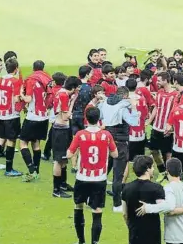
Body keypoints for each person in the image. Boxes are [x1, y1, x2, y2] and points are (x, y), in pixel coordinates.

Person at [66, 107, 118, 244]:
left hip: (82, 177)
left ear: (86, 118)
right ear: (99, 118)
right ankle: (95, 242)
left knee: (78, 206)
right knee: (97, 210)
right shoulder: (106, 135)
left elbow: (69, 154)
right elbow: (115, 154)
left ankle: (81, 241)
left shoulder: (80, 135)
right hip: (100, 178)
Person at [135, 158, 183, 244]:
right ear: (180, 171)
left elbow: (169, 207)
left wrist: (148, 208)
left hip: (174, 238)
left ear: (167, 172)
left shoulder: (167, 189)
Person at [99, 86, 140, 212]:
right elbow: (134, 122)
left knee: (103, 172)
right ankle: (117, 204)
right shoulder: (122, 108)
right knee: (118, 175)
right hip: (120, 142)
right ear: (125, 96)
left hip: (107, 140)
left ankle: (94, 198)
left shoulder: (105, 103)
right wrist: (133, 107)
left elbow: (100, 116)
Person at [19, 60, 53, 182]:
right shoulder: (48, 79)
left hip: (33, 117)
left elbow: (28, 99)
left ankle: (32, 170)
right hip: (44, 117)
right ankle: (37, 171)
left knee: (23, 143)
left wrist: (21, 95)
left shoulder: (31, 80)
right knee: (36, 143)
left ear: (33, 68)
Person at [121, 155, 165, 244]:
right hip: (153, 235)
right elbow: (163, 208)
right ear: (148, 169)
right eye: (152, 167)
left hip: (134, 234)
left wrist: (131, 227)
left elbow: (125, 214)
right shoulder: (157, 188)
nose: (153, 169)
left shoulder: (126, 188)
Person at [50, 76, 81, 198]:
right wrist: (72, 104)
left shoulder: (62, 94)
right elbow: (65, 117)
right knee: (59, 160)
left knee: (64, 158)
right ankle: (56, 190)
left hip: (63, 129)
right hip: (60, 130)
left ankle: (62, 184)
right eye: (77, 88)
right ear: (73, 88)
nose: (78, 90)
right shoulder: (63, 95)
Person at [147, 72, 179, 180]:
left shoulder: (175, 94)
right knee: (153, 151)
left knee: (168, 154)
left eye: (159, 80)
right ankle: (162, 171)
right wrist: (150, 120)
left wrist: (171, 126)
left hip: (167, 128)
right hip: (156, 127)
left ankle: (169, 175)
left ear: (166, 80)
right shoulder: (159, 92)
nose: (157, 82)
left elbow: (174, 112)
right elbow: (156, 107)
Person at [42, 72, 67, 161]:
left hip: (55, 115)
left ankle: (47, 154)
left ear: (55, 82)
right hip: (64, 115)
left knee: (53, 135)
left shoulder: (53, 91)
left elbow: (48, 103)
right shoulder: (65, 90)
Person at [126, 78, 149, 162]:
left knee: (129, 160)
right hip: (140, 132)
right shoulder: (142, 99)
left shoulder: (125, 99)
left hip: (129, 132)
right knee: (140, 159)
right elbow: (146, 114)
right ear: (136, 87)